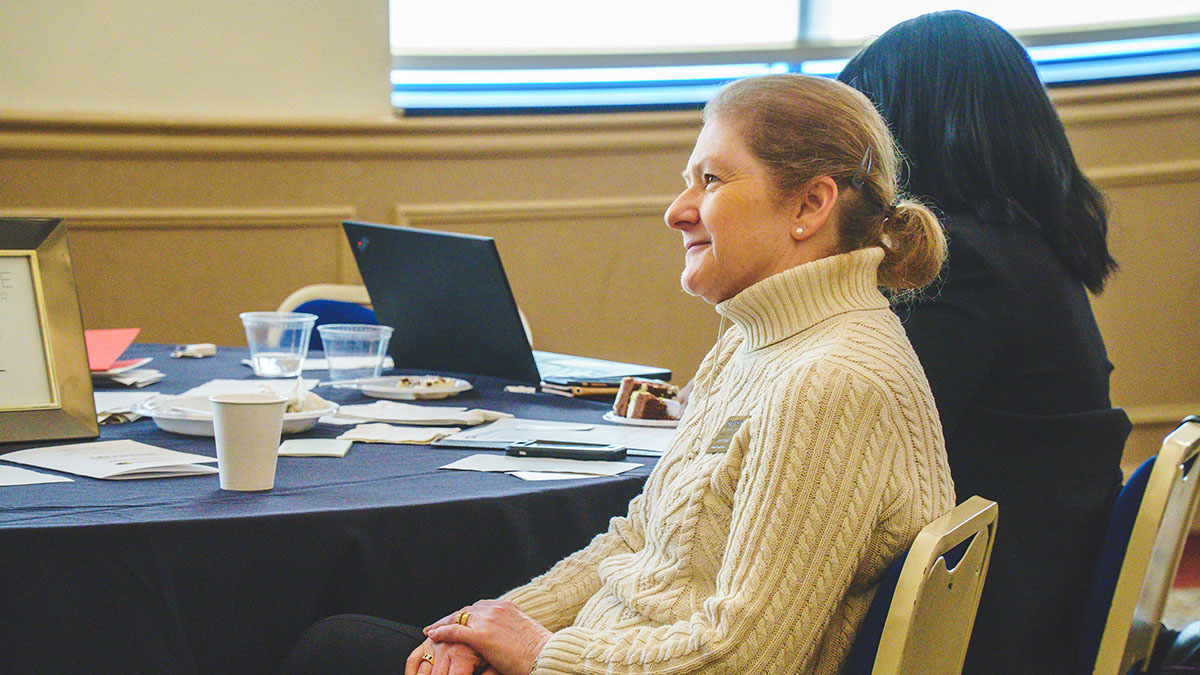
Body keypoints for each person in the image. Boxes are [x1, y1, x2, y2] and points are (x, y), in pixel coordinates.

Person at [283, 73, 955, 675]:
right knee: (349, 642)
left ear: (810, 205)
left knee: (334, 647)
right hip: (607, 655)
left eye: (712, 180)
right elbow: (640, 539)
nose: (677, 209)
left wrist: (541, 651)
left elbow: (744, 658)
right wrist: (481, 627)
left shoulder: (830, 379)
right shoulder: (754, 343)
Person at [837, 11, 1130, 675]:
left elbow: (865, 447)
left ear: (913, 131)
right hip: (1034, 596)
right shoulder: (1029, 252)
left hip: (969, 625)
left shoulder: (963, 261)